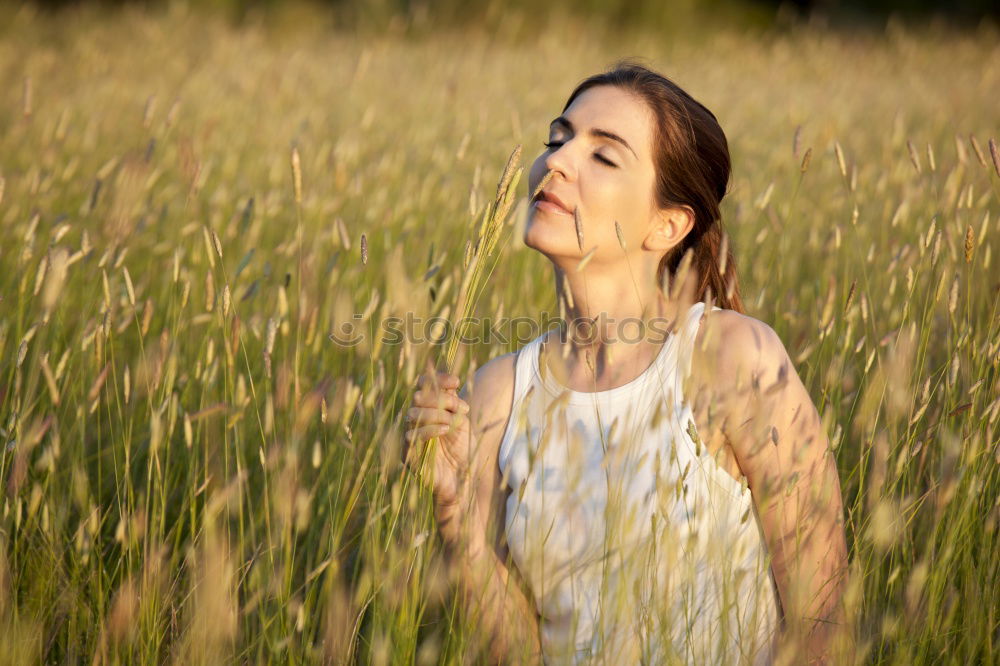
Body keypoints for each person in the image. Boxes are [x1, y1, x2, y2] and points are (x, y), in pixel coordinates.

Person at [402, 60, 850, 665]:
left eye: (603, 157)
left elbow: (823, 619)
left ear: (668, 224)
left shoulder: (731, 359)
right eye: (557, 141)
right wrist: (459, 525)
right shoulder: (497, 394)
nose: (555, 163)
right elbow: (520, 651)